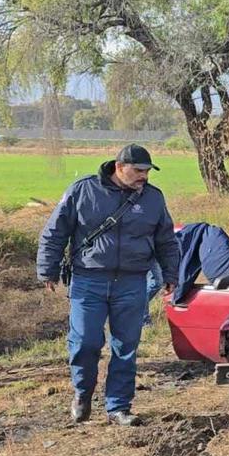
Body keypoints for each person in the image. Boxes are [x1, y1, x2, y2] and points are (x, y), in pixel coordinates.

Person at [37, 144, 180, 426]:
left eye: (147, 172)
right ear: (119, 167)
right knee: (85, 343)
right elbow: (55, 232)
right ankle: (82, 393)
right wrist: (47, 269)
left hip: (132, 281)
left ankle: (119, 406)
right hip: (88, 279)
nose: (144, 177)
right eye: (138, 171)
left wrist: (171, 275)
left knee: (126, 346)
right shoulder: (83, 191)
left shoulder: (153, 198)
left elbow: (166, 240)